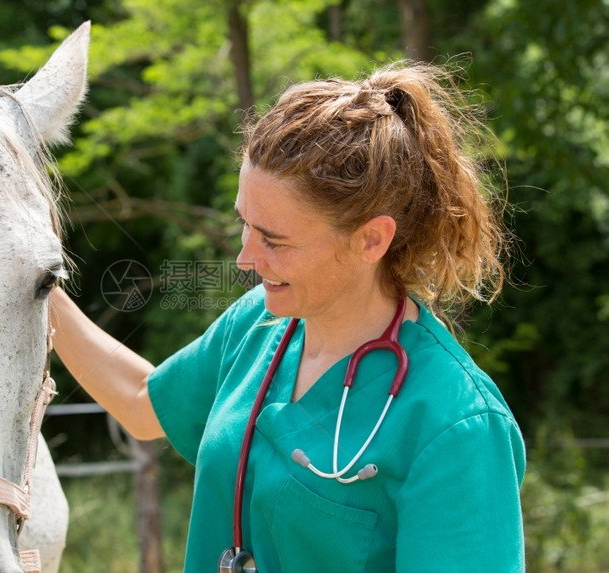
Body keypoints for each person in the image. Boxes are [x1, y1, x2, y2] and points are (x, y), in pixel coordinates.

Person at [50, 61, 526, 572]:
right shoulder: (258, 324)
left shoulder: (457, 426)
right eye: (245, 225)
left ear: (372, 239)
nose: (245, 259)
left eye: (274, 240)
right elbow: (142, 404)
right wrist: (34, 287)